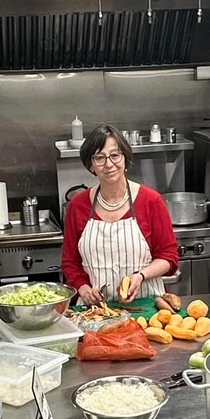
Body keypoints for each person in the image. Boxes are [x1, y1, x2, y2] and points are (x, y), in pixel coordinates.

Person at [61, 125, 179, 304]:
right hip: (95, 311)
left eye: (115, 155)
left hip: (146, 306)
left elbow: (168, 257)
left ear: (125, 158)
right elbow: (70, 263)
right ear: (91, 165)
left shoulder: (151, 201)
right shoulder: (78, 206)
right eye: (99, 158)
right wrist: (84, 289)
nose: (109, 164)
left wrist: (141, 276)